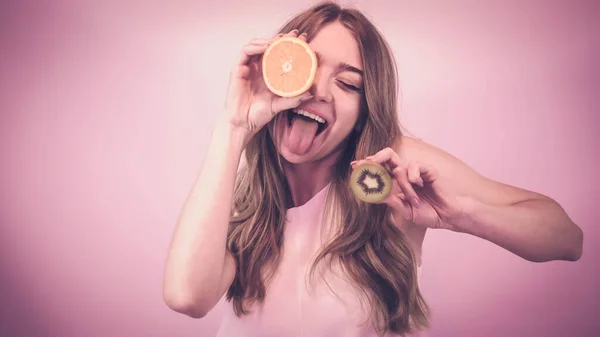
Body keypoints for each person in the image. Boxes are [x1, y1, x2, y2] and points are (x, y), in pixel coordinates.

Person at [162, 2, 584, 336]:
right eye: (305, 67)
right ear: (278, 73)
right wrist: (233, 124)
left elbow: (567, 238)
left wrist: (463, 215)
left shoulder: (396, 169)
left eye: (349, 84)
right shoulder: (246, 198)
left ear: (366, 110)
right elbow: (187, 297)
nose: (318, 90)